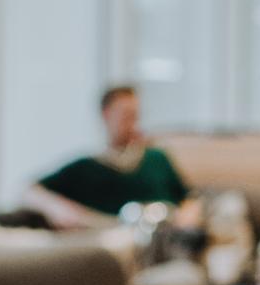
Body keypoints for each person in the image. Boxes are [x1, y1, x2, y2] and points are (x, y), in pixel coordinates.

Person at [26, 84, 192, 227]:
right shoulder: (86, 167)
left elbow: (189, 199)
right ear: (106, 115)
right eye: (125, 115)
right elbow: (31, 191)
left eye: (135, 115)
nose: (133, 123)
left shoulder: (157, 158)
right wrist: (58, 209)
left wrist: (186, 218)